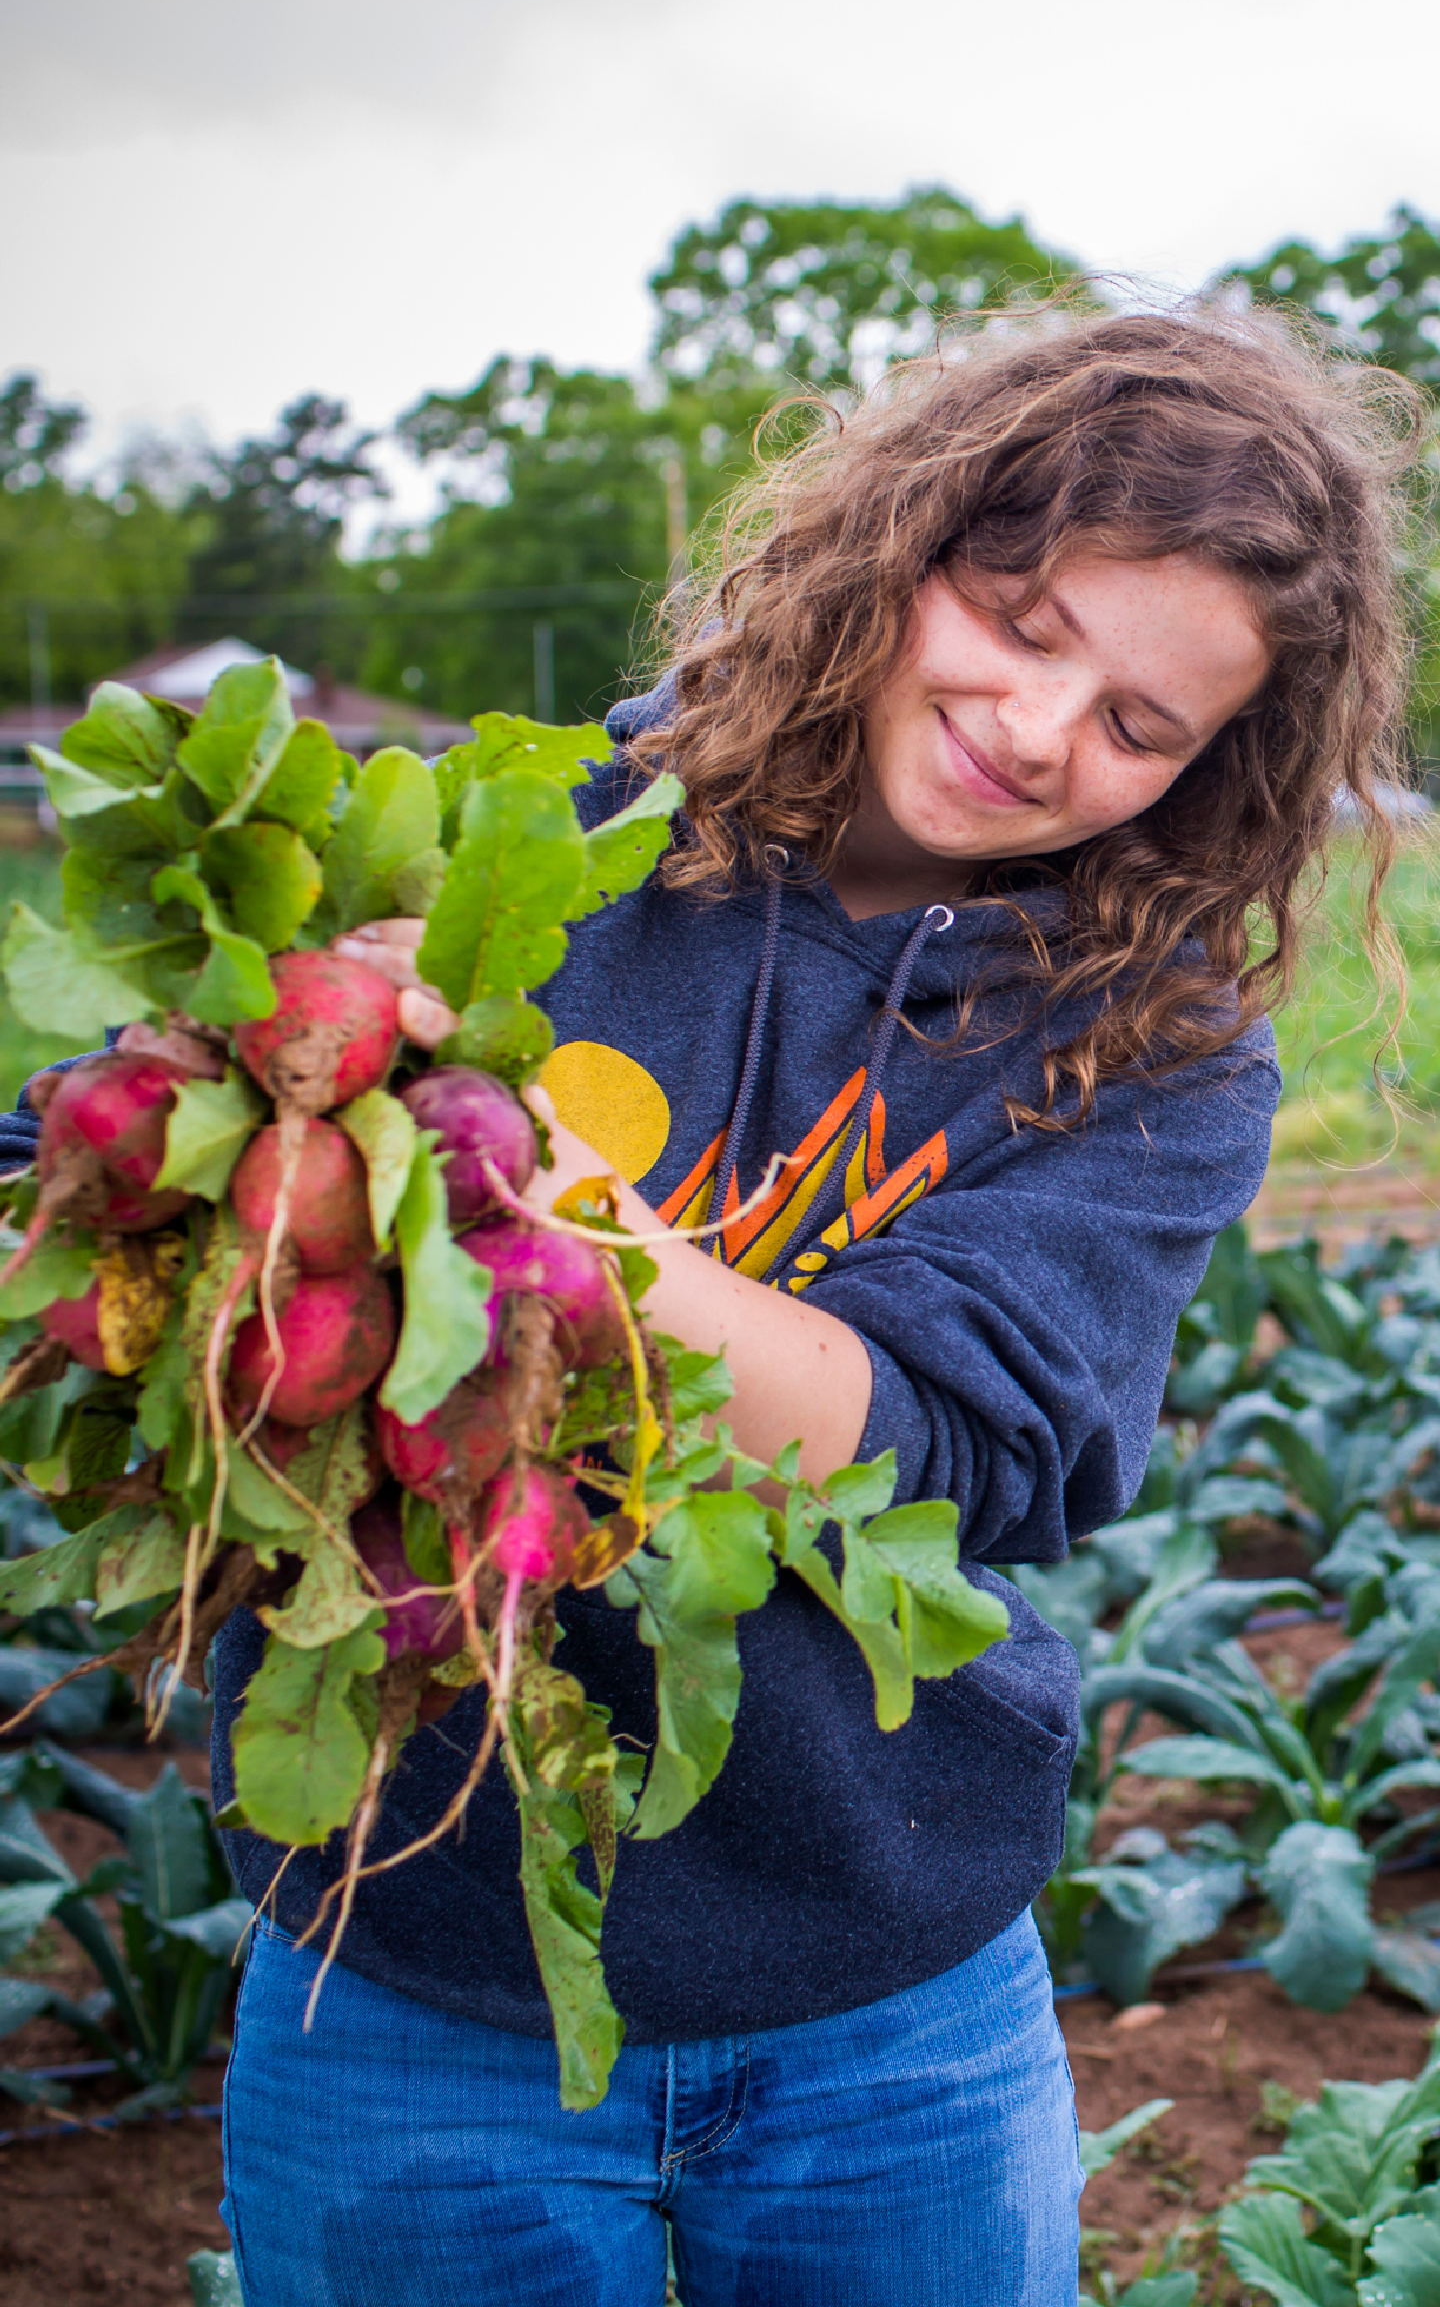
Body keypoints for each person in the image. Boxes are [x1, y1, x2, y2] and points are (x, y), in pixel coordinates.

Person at [10, 305, 1417, 2306]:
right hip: (414, 1954)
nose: (1038, 728)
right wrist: (236, 1073)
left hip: (893, 1987)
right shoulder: (520, 843)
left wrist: (513, 1171)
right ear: (908, 545)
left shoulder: (1155, 1044)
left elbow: (944, 1433)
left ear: (1215, 771)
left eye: (1137, 724)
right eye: (1021, 621)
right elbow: (72, 1179)